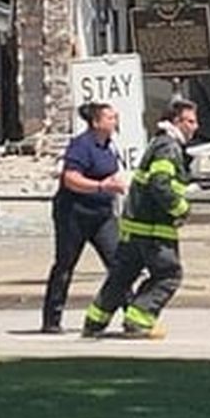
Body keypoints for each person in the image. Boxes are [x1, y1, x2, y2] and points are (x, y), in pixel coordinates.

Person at [82, 97, 198, 340]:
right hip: (154, 230)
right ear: (176, 121)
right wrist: (181, 209)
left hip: (134, 227)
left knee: (122, 276)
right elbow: (160, 183)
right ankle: (139, 320)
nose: (195, 126)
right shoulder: (169, 147)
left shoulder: (158, 143)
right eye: (190, 121)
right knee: (168, 275)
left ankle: (95, 322)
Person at [41, 102, 126, 334]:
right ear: (96, 122)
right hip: (74, 213)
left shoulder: (109, 146)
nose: (114, 121)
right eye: (110, 117)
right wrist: (101, 186)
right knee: (65, 265)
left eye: (115, 117)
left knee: (120, 264)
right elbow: (70, 178)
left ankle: (133, 316)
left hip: (102, 215)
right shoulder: (81, 145)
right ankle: (52, 319)